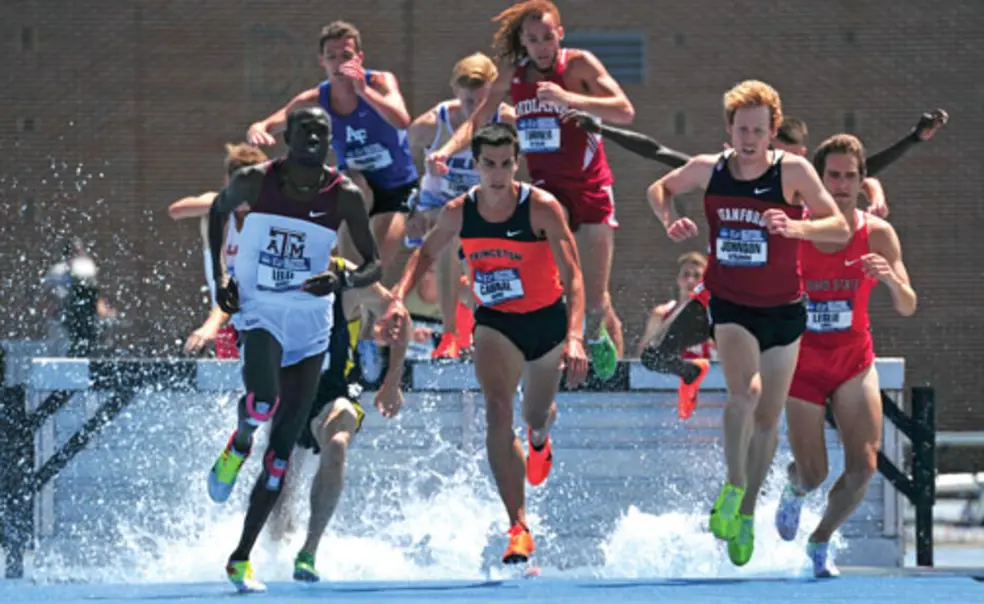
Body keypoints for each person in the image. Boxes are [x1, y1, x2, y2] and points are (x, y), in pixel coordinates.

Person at [566, 108, 947, 411]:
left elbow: (859, 171)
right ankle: (694, 375)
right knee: (654, 356)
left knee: (772, 383)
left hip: (771, 297)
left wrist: (912, 141)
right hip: (724, 290)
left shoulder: (803, 185)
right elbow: (659, 152)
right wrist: (602, 131)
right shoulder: (727, 172)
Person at [646, 80, 853, 567]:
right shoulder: (710, 169)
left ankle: (743, 510)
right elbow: (660, 187)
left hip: (784, 310)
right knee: (747, 393)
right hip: (732, 304)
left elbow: (839, 226)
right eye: (742, 129)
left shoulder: (794, 171)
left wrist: (797, 226)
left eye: (759, 130)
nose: (749, 139)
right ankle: (733, 485)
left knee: (766, 421)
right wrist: (667, 217)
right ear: (729, 129)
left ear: (773, 131)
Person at [379, 123, 589, 565]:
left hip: (546, 323)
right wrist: (398, 297)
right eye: (488, 164)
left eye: (506, 164)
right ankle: (518, 527)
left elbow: (573, 276)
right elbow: (426, 253)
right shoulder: (459, 212)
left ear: (517, 163)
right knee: (497, 407)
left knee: (534, 413)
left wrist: (574, 336)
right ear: (475, 166)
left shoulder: (542, 209)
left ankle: (539, 437)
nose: (497, 173)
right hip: (495, 322)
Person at [206, 106, 381, 593]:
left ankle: (240, 558)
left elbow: (374, 265)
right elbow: (217, 213)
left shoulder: (342, 194)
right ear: (288, 137)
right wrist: (221, 275)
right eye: (304, 131)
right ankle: (239, 441)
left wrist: (342, 277)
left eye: (322, 134)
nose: (313, 139)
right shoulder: (254, 180)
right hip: (260, 307)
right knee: (263, 403)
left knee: (281, 455)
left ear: (330, 141)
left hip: (310, 323)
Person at [426, 0, 634, 380]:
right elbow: (477, 119)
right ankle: (547, 357)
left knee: (596, 300)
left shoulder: (577, 65)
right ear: (523, 41)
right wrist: (445, 150)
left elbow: (623, 109)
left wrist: (568, 98)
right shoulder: (515, 74)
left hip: (591, 190)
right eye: (533, 39)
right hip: (546, 193)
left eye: (547, 37)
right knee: (557, 286)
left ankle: (610, 372)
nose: (541, 46)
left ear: (560, 34)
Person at [774, 134, 917, 578]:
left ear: (862, 181)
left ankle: (819, 541)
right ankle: (794, 489)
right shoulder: (796, 230)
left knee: (865, 464)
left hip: (853, 360)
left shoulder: (877, 234)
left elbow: (908, 303)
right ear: (819, 178)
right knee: (814, 472)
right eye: (832, 175)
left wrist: (891, 278)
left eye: (849, 176)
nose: (840, 184)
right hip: (801, 365)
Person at [256, 256, 410, 582]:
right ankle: (271, 555)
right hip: (289, 397)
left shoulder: (349, 282)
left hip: (334, 393)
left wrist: (392, 381)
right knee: (278, 499)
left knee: (337, 444)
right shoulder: (275, 272)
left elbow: (400, 316)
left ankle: (309, 550)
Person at [246, 20, 416, 275]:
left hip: (397, 188)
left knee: (375, 268)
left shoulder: (379, 82)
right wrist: (257, 129)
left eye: (346, 56)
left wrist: (364, 91)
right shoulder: (316, 99)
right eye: (331, 57)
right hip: (356, 180)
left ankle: (360, 298)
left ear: (359, 58)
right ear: (321, 61)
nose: (339, 63)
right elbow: (269, 123)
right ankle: (341, 274)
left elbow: (402, 120)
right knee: (353, 185)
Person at [406, 52, 516, 360]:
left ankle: (491, 327)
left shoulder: (508, 121)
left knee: (485, 262)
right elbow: (403, 171)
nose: (475, 113)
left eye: (481, 103)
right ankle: (451, 332)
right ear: (455, 91)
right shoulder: (429, 125)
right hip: (437, 204)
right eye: (469, 103)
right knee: (448, 228)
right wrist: (410, 209)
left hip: (482, 202)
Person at [167, 143, 269, 358]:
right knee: (233, 384)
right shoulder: (217, 208)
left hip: (262, 317)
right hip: (225, 318)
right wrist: (227, 202)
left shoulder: (268, 215)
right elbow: (176, 211)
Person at [636, 251, 714, 420]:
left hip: (710, 388)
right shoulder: (662, 312)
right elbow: (645, 352)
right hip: (672, 380)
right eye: (686, 275)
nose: (690, 281)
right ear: (678, 279)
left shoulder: (712, 312)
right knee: (652, 356)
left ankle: (693, 377)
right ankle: (690, 372)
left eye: (696, 276)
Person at [41, 237, 117, 357]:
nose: (79, 254)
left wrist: (103, 309)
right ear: (68, 252)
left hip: (82, 317)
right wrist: (52, 311)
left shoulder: (86, 269)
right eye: (75, 251)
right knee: (60, 351)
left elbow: (95, 294)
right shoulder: (57, 272)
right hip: (61, 318)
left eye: (80, 251)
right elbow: (48, 297)